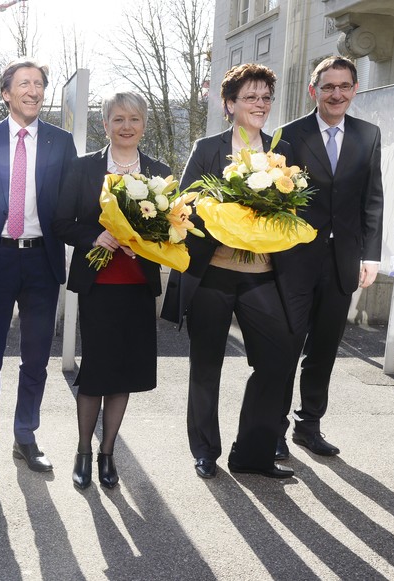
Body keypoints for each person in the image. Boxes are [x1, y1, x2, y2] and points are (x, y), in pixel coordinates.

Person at [160, 63, 296, 480]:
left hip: (263, 275)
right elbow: (182, 208)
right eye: (251, 97)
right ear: (230, 104)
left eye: (266, 97)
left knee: (277, 360)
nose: (260, 104)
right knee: (206, 365)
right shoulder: (207, 148)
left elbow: (296, 207)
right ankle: (204, 450)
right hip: (213, 274)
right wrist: (222, 213)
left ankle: (252, 452)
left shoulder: (282, 150)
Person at [0, 57, 77, 474]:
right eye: (23, 83)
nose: (33, 90)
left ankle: (26, 437)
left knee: (36, 358)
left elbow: (68, 206)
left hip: (43, 260)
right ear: (7, 93)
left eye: (39, 84)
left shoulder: (61, 143)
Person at [53, 92, 165, 489]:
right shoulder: (83, 168)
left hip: (137, 287)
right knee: (97, 372)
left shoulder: (158, 171)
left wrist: (150, 236)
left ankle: (107, 453)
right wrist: (95, 235)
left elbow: (172, 228)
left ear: (144, 124)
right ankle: (83, 450)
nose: (126, 126)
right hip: (99, 285)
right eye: (118, 119)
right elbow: (62, 222)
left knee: (124, 374)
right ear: (106, 124)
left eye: (134, 119)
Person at [276, 56, 384, 456]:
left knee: (323, 349)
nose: (336, 94)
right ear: (313, 91)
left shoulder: (369, 135)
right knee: (287, 348)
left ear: (355, 89)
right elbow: (276, 201)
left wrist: (370, 255)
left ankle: (309, 426)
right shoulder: (288, 135)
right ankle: (274, 431)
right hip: (295, 261)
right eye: (328, 87)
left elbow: (373, 199)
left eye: (344, 86)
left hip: (343, 261)